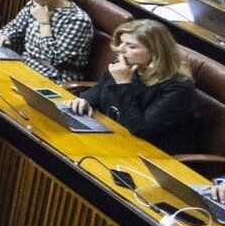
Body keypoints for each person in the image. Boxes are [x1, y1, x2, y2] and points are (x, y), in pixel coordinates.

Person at [64, 20, 198, 155]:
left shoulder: (179, 87)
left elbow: (140, 129)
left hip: (147, 153)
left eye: (131, 46)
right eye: (121, 42)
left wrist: (123, 84)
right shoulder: (128, 64)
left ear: (155, 52)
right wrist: (85, 100)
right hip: (111, 135)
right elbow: (100, 88)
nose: (121, 49)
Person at [0, 0, 93, 84]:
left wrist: (44, 23)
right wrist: (4, 36)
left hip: (53, 78)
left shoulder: (77, 20)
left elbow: (55, 59)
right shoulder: (36, 3)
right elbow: (14, 28)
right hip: (25, 66)